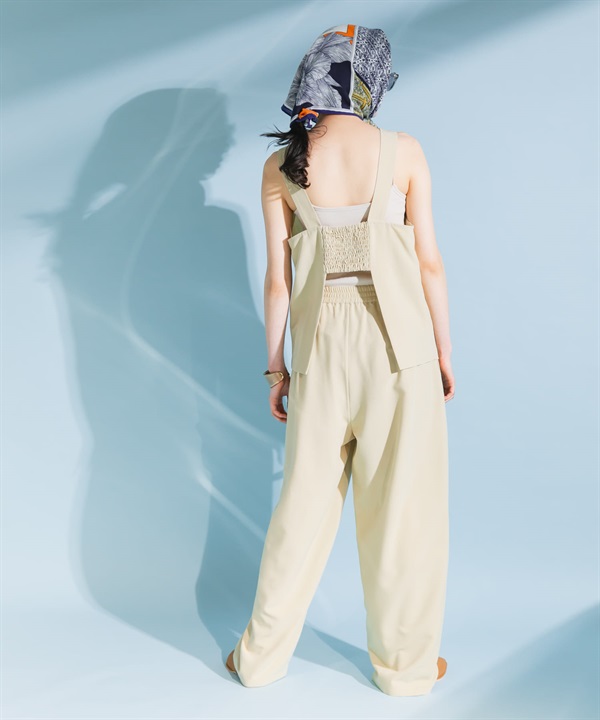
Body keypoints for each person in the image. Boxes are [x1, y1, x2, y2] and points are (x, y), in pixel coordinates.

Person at [226, 23, 455, 697]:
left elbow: (277, 282)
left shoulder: (281, 166)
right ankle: (406, 671)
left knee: (302, 508)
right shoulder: (403, 150)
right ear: (367, 83)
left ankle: (259, 660)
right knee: (404, 511)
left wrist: (278, 369)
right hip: (401, 350)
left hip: (320, 353)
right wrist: (443, 352)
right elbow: (430, 264)